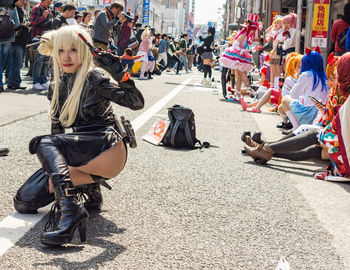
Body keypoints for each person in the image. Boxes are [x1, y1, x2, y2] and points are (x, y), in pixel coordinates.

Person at [13, 25, 144, 246]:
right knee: (24, 202)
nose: (66, 56)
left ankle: (71, 210)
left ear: (83, 51)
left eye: (73, 50)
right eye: (61, 50)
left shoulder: (95, 76)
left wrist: (120, 73)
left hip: (108, 150)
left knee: (43, 142)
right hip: (80, 152)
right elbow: (57, 134)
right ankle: (88, 188)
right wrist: (55, 174)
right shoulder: (56, 84)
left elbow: (136, 103)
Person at [244, 54, 350, 181]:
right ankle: (263, 150)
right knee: (314, 145)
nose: (336, 76)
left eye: (338, 71)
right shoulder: (332, 87)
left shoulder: (309, 77)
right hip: (340, 141)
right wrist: (325, 112)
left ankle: (263, 148)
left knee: (314, 135)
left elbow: (292, 94)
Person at [278, 46, 329, 131]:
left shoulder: (306, 75)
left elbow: (293, 95)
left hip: (308, 113)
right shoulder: (325, 76)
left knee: (285, 99)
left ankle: (296, 127)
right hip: (321, 114)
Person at [220, 20, 258, 99]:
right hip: (237, 57)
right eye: (252, 30)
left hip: (241, 57)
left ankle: (237, 93)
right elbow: (235, 44)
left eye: (253, 31)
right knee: (243, 73)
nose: (252, 32)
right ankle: (249, 88)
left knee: (241, 76)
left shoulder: (247, 36)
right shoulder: (243, 36)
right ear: (248, 29)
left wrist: (253, 49)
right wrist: (242, 51)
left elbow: (246, 48)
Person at [31, 0, 54, 91]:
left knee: (46, 60)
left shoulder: (47, 8)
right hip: (38, 37)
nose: (50, 1)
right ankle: (36, 82)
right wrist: (43, 17)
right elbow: (33, 22)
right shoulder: (37, 8)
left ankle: (43, 80)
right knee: (39, 60)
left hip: (47, 37)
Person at [6, 0, 30, 90]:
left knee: (16, 64)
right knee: (16, 63)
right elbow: (15, 25)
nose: (23, 1)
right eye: (21, 0)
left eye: (24, 0)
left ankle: (13, 83)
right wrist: (24, 25)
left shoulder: (22, 10)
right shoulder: (13, 10)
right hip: (15, 41)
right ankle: (14, 83)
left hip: (21, 41)